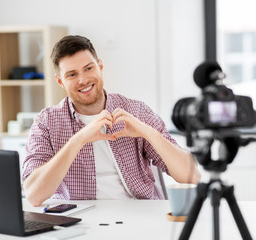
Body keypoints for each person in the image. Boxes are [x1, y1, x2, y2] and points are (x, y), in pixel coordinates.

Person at [22, 35, 200, 206]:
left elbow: (191, 177)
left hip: (140, 216)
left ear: (100, 67)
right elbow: (33, 195)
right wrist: (78, 139)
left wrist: (147, 132)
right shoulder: (46, 122)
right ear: (60, 81)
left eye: (89, 68)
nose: (83, 80)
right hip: (79, 220)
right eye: (72, 75)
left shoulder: (136, 111)